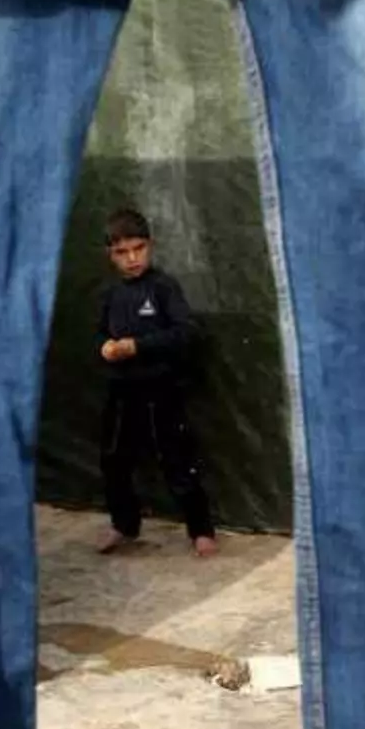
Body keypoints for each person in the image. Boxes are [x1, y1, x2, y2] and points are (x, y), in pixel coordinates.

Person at [94, 208, 218, 557]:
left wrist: (137, 346)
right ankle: (124, 525)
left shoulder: (164, 287)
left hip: (163, 389)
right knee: (114, 461)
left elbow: (186, 333)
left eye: (138, 248)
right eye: (122, 252)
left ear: (150, 246)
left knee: (177, 459)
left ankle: (202, 530)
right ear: (110, 254)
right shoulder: (108, 293)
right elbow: (99, 334)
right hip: (121, 391)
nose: (132, 258)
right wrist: (105, 347)